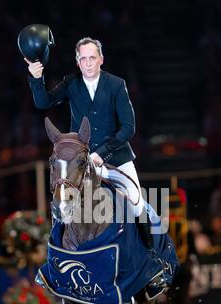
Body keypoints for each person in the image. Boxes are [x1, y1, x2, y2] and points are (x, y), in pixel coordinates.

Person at [26, 36, 162, 282]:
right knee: (64, 203)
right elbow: (42, 102)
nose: (88, 63)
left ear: (101, 59)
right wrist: (36, 77)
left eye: (92, 58)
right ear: (77, 62)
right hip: (82, 162)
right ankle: (53, 266)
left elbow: (128, 127)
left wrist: (103, 153)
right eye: (83, 59)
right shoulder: (71, 83)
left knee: (136, 202)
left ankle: (152, 265)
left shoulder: (116, 84)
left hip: (117, 158)